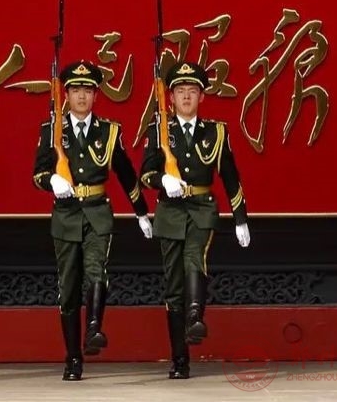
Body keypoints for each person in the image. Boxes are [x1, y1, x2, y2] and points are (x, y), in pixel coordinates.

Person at [32, 60, 153, 381]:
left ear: (96, 95)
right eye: (75, 90)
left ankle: (94, 328)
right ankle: (73, 357)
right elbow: (38, 173)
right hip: (66, 215)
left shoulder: (109, 132)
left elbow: (125, 173)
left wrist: (141, 211)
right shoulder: (52, 130)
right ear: (66, 95)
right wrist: (51, 181)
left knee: (97, 270)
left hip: (98, 212)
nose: (82, 96)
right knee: (68, 288)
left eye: (87, 90)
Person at [139, 61, 251, 379]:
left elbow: (230, 176)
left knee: (194, 257)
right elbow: (145, 174)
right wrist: (163, 180)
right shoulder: (159, 130)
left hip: (202, 207)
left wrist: (240, 218)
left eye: (192, 91)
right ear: (171, 97)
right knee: (173, 285)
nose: (186, 97)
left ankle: (195, 316)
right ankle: (180, 358)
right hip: (170, 211)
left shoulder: (216, 132)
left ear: (202, 97)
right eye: (180, 91)